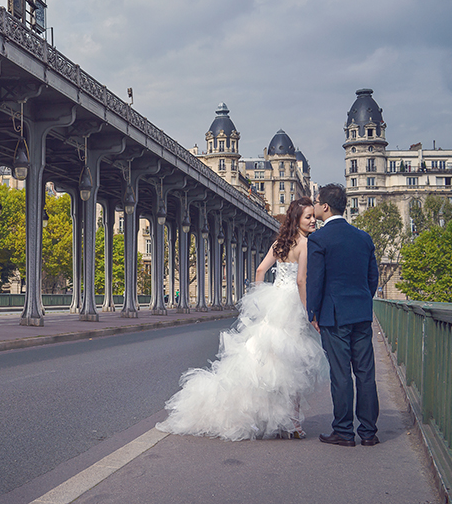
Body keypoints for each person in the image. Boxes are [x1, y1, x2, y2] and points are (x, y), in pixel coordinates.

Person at [156, 197, 327, 441]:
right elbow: (301, 281)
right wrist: (309, 311)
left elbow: (260, 271)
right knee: (293, 367)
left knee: (265, 363)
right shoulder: (306, 245)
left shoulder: (280, 242)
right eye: (308, 217)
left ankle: (271, 419)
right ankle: (293, 424)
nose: (312, 221)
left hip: (274, 303)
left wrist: (259, 299)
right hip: (292, 306)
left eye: (313, 216)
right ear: (297, 219)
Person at [307, 183, 380, 447]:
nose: (314, 206)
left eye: (316, 202)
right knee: (365, 374)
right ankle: (369, 433)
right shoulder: (364, 238)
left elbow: (315, 280)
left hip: (334, 316)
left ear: (324, 207)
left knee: (340, 374)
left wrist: (312, 312)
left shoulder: (319, 239)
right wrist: (361, 300)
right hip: (361, 313)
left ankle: (344, 431)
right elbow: (373, 278)